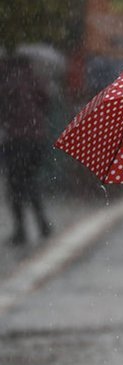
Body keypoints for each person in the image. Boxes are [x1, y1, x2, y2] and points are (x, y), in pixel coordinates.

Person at [0, 55, 52, 246]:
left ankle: (21, 230)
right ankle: (42, 223)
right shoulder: (36, 79)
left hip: (17, 139)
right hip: (37, 138)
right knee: (30, 180)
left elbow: (4, 109)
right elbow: (46, 102)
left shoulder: (8, 82)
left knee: (15, 185)